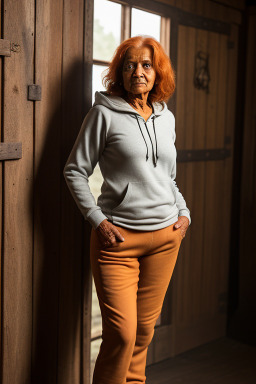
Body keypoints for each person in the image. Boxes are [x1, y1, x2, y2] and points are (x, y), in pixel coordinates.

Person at [63, 35, 191, 384]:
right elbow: (74, 170)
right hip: (117, 242)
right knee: (121, 335)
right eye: (130, 65)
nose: (139, 71)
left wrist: (184, 213)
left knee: (144, 333)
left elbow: (167, 178)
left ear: (157, 72)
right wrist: (98, 221)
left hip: (166, 238)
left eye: (147, 65)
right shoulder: (102, 114)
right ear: (120, 72)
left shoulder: (167, 119)